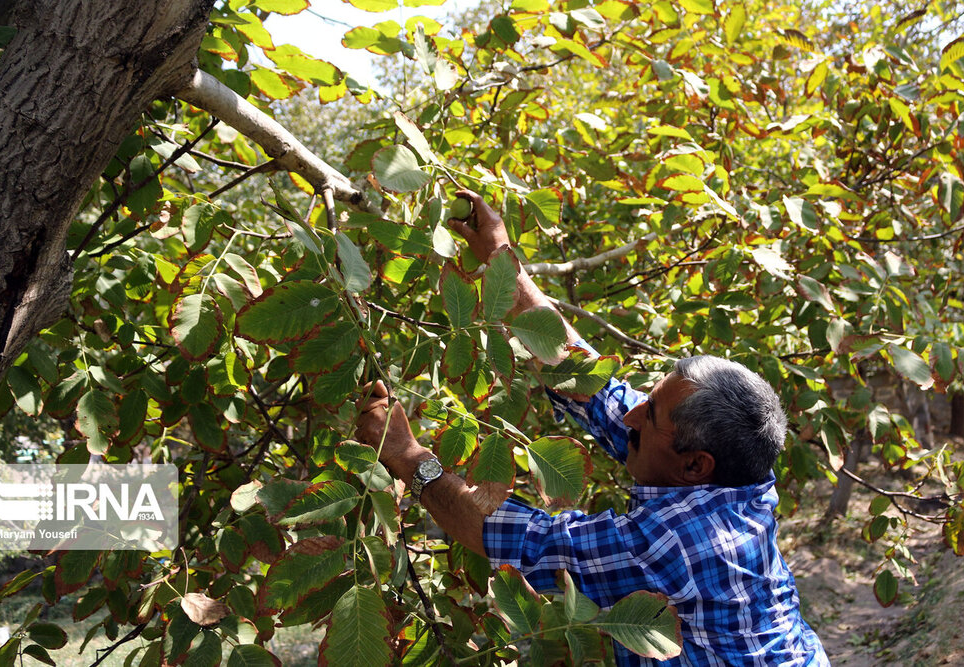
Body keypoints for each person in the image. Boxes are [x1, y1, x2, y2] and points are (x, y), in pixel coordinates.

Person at [355, 191, 830, 666]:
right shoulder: (734, 474)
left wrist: (405, 455)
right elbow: (593, 385)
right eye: (647, 401)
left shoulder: (676, 542)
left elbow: (518, 539)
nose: (631, 418)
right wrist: (501, 258)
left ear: (694, 466)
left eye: (649, 415)